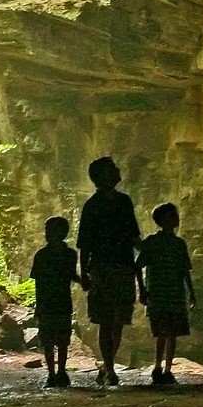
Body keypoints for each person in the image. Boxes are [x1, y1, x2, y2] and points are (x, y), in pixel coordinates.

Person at [77, 155, 141, 386]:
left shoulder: (123, 202)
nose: (117, 171)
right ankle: (110, 367)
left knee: (119, 320)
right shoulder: (92, 206)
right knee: (107, 320)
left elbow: (134, 236)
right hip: (104, 268)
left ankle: (108, 365)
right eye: (111, 169)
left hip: (122, 267)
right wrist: (84, 273)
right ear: (101, 176)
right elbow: (84, 243)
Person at [136, 203, 194, 386]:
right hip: (161, 293)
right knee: (164, 332)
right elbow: (138, 266)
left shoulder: (174, 243)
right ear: (162, 220)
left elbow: (185, 270)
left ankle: (165, 368)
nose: (176, 218)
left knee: (170, 332)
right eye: (172, 215)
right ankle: (159, 367)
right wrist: (143, 290)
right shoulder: (160, 243)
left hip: (170, 292)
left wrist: (191, 293)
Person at [29, 215, 79, 388]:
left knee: (57, 340)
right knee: (54, 340)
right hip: (56, 302)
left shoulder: (42, 255)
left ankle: (57, 373)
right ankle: (56, 373)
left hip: (54, 302)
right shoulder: (69, 254)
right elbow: (72, 276)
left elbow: (38, 281)